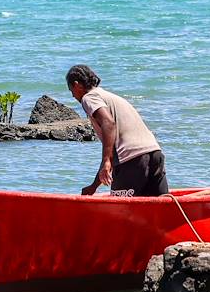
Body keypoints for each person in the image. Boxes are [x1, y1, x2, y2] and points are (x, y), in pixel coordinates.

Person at [65, 63, 168, 197]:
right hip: (154, 153)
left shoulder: (89, 98)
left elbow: (108, 123)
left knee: (121, 208)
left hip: (131, 160)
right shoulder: (109, 97)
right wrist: (94, 186)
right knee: (161, 206)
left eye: (71, 90)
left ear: (77, 85)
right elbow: (113, 149)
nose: (73, 96)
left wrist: (106, 161)